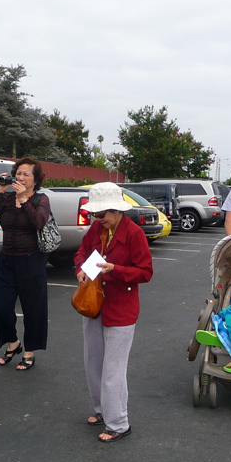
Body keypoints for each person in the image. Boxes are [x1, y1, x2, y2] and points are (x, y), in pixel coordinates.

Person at [75, 182, 153, 443]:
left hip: (121, 308)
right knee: (93, 362)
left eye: (102, 215)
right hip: (95, 304)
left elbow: (146, 272)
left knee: (113, 370)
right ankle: (101, 411)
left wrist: (115, 270)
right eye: (95, 215)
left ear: (117, 211)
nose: (98, 220)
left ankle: (118, 422)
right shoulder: (97, 227)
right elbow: (82, 252)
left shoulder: (135, 234)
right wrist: (80, 270)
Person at [0, 157, 50, 371]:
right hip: (7, 259)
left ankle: (29, 350)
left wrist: (23, 199)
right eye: (18, 173)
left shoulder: (41, 199)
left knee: (33, 308)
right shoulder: (7, 197)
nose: (20, 177)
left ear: (35, 179)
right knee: (2, 308)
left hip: (32, 260)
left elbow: (38, 222)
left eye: (26, 174)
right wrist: (1, 190)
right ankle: (13, 343)